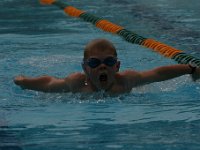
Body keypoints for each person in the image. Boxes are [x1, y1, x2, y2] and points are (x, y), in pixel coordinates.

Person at [14, 38, 200, 94]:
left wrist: (190, 68)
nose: (103, 67)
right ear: (85, 68)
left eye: (108, 62)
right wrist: (24, 82)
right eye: (95, 63)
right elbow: (49, 83)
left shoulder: (125, 81)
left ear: (117, 66)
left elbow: (157, 74)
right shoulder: (78, 83)